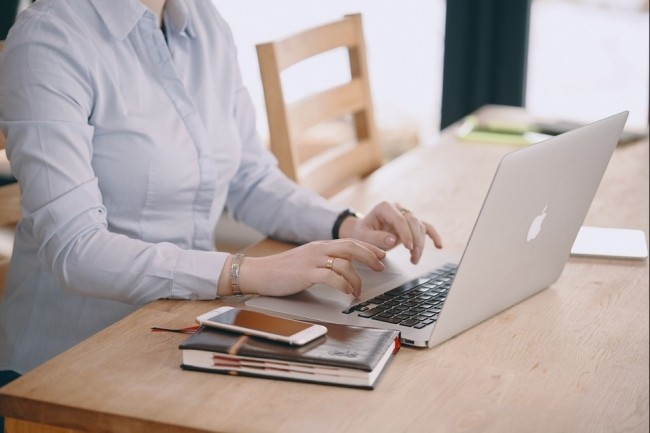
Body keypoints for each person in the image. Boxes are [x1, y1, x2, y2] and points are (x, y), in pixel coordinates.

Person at [0, 0, 442, 389]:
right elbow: (76, 250)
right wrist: (244, 272)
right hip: (64, 368)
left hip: (176, 332)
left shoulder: (205, 23)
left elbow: (249, 177)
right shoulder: (49, 41)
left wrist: (347, 225)